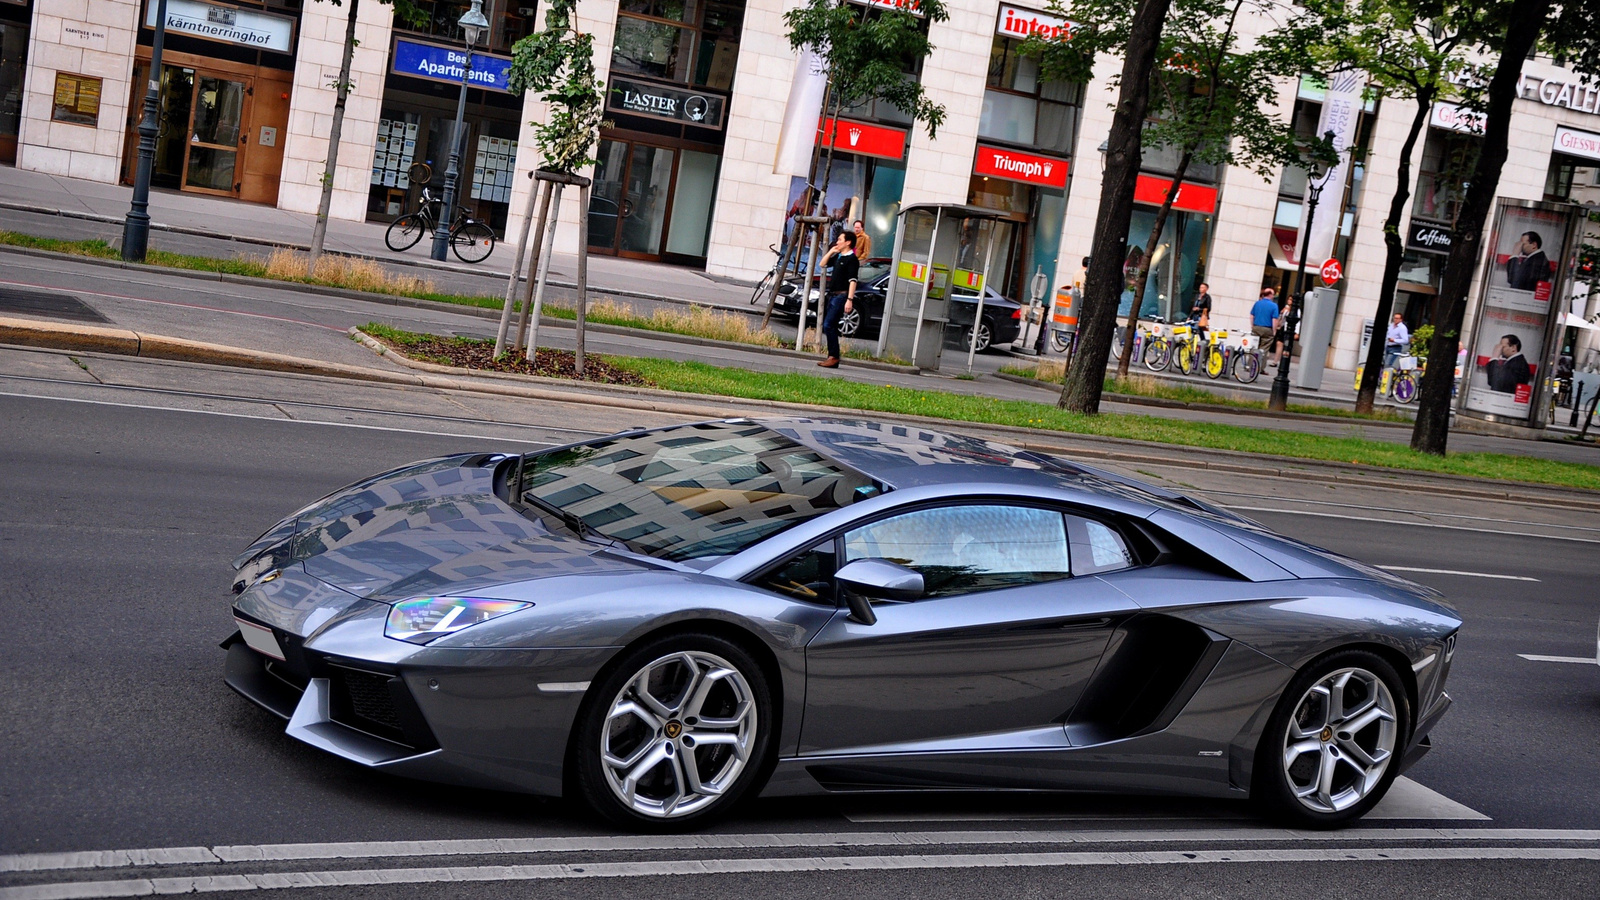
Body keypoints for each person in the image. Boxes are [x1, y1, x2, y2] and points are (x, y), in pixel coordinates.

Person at [816, 231, 858, 369]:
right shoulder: (839, 256)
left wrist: (849, 299)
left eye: (840, 240)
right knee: (829, 325)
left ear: (848, 242)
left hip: (841, 296)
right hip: (832, 294)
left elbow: (853, 281)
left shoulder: (852, 259)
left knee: (829, 325)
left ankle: (834, 356)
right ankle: (832, 356)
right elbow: (822, 264)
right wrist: (831, 252)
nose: (837, 242)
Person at [1250, 288, 1279, 362]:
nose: (1273, 296)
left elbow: (1252, 315)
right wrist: (1274, 331)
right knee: (1264, 349)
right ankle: (1259, 367)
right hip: (1267, 329)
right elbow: (1274, 319)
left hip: (1256, 327)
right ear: (1269, 295)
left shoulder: (1257, 303)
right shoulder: (1274, 306)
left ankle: (1250, 365)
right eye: (1273, 294)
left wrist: (1252, 326)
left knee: (1254, 347)